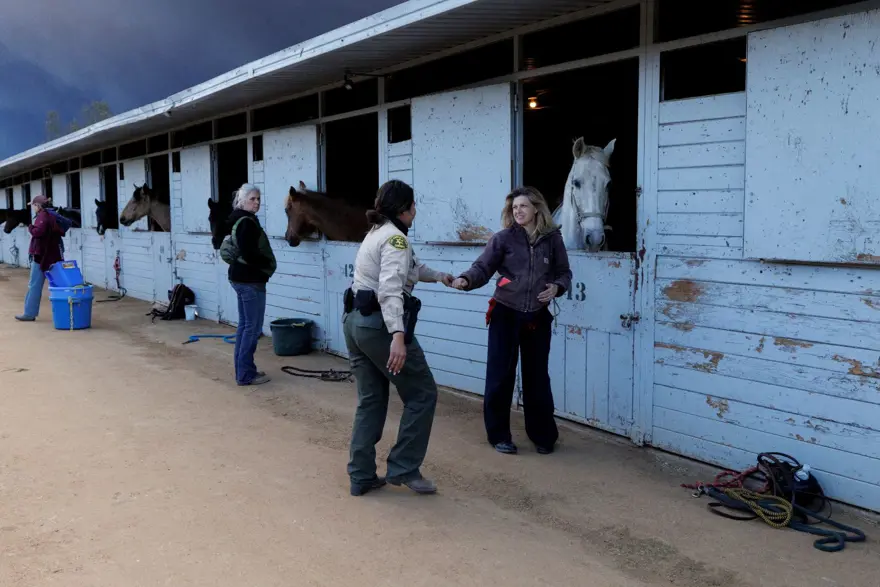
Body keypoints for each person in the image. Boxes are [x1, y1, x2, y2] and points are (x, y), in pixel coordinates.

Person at [344, 179, 454, 496]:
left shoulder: (379, 232)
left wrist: (441, 277)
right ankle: (404, 467)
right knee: (422, 394)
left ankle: (361, 475)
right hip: (379, 326)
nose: (416, 211)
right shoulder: (396, 239)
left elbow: (412, 268)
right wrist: (398, 335)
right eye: (413, 206)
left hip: (355, 323)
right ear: (404, 209)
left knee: (371, 400)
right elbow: (391, 289)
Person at [452, 186, 572, 455]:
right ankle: (499, 435)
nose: (518, 211)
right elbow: (482, 267)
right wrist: (466, 279)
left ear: (536, 209)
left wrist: (557, 287)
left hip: (537, 317)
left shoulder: (553, 239)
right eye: (514, 207)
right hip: (505, 314)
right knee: (500, 376)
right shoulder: (503, 239)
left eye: (523, 206)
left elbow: (564, 272)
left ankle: (543, 436)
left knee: (537, 378)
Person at [225, 184, 277, 386]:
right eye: (252, 199)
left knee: (245, 326)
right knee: (252, 328)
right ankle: (245, 374)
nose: (257, 203)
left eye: (258, 199)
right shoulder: (246, 222)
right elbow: (249, 254)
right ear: (242, 200)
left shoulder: (238, 219)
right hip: (250, 281)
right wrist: (266, 265)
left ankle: (243, 370)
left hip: (240, 279)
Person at [15, 195, 64, 322]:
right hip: (53, 255)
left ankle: (29, 313)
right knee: (61, 284)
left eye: (33, 205)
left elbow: (38, 232)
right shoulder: (52, 215)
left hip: (41, 257)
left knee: (34, 285)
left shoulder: (42, 216)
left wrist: (30, 226)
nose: (33, 208)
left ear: (38, 205)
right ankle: (66, 311)